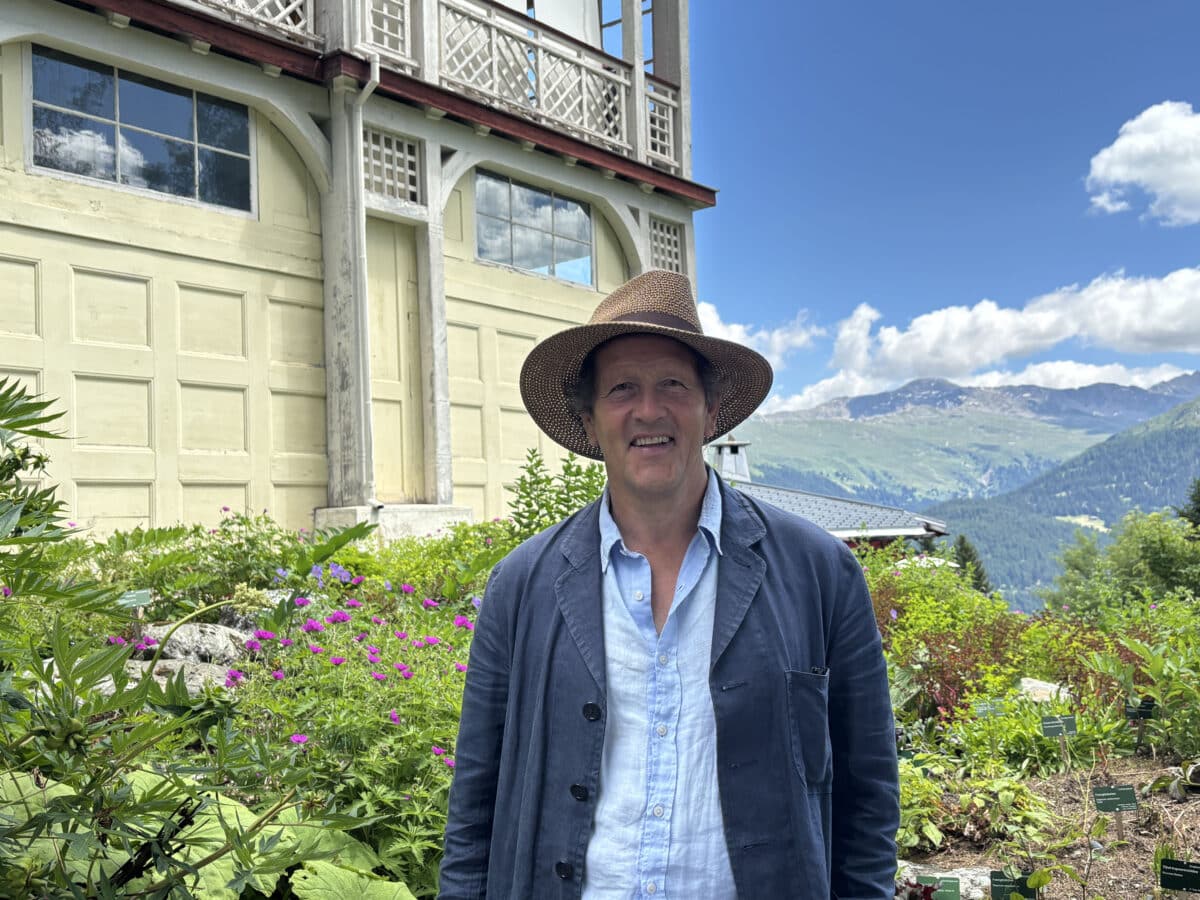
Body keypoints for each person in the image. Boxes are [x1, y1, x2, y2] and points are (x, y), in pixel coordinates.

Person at [439, 270, 899, 899]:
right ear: (590, 419)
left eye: (673, 386)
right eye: (623, 387)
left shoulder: (820, 573)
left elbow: (868, 797)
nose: (649, 410)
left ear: (711, 411)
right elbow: (474, 804)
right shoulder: (521, 586)